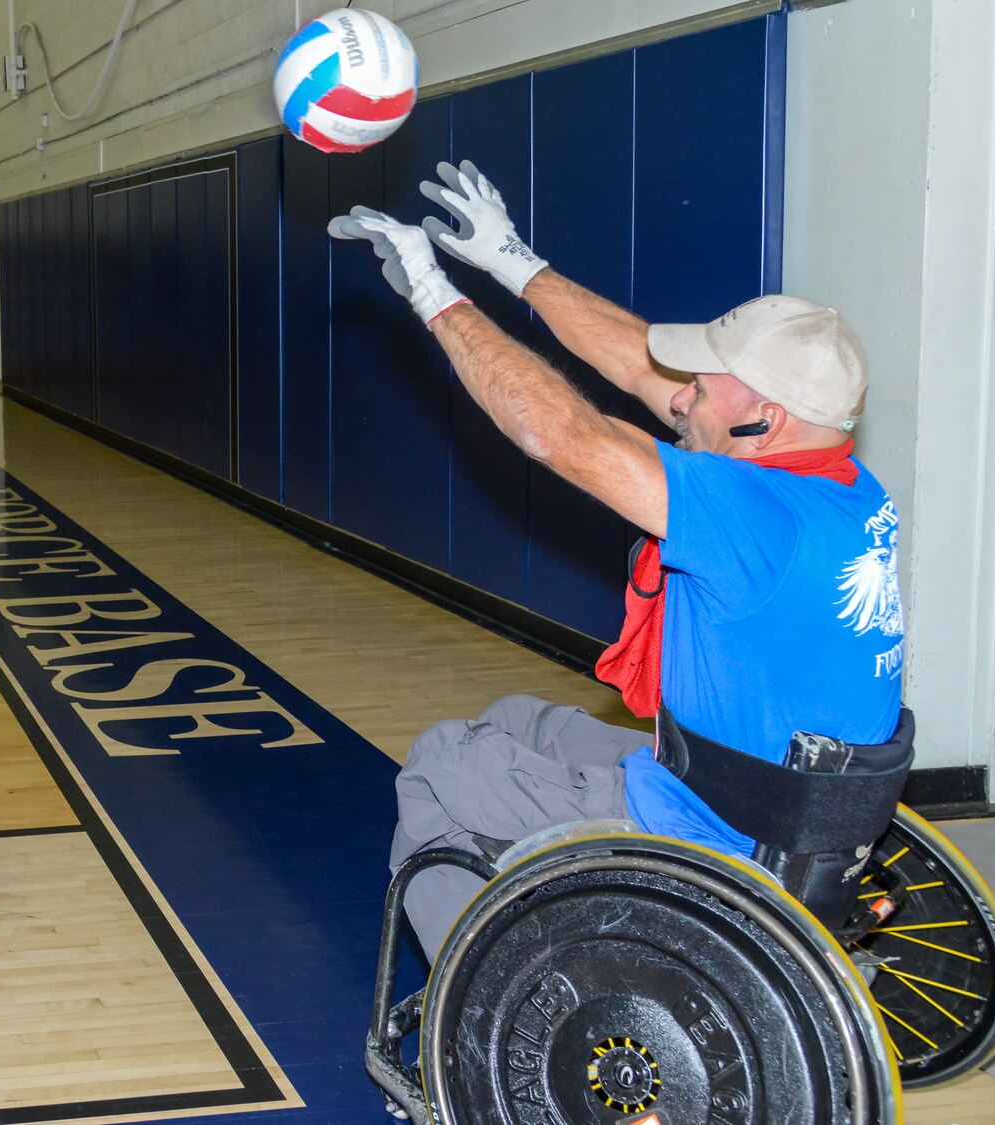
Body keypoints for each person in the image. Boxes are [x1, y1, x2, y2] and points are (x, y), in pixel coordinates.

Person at [329, 159, 905, 960]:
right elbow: (643, 368)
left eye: (707, 384)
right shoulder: (841, 484)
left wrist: (437, 298)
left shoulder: (747, 512)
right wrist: (516, 265)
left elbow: (567, 437)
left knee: (439, 765)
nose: (685, 388)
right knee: (514, 722)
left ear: (763, 420)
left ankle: (472, 1029)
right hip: (781, 801)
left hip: (706, 825)